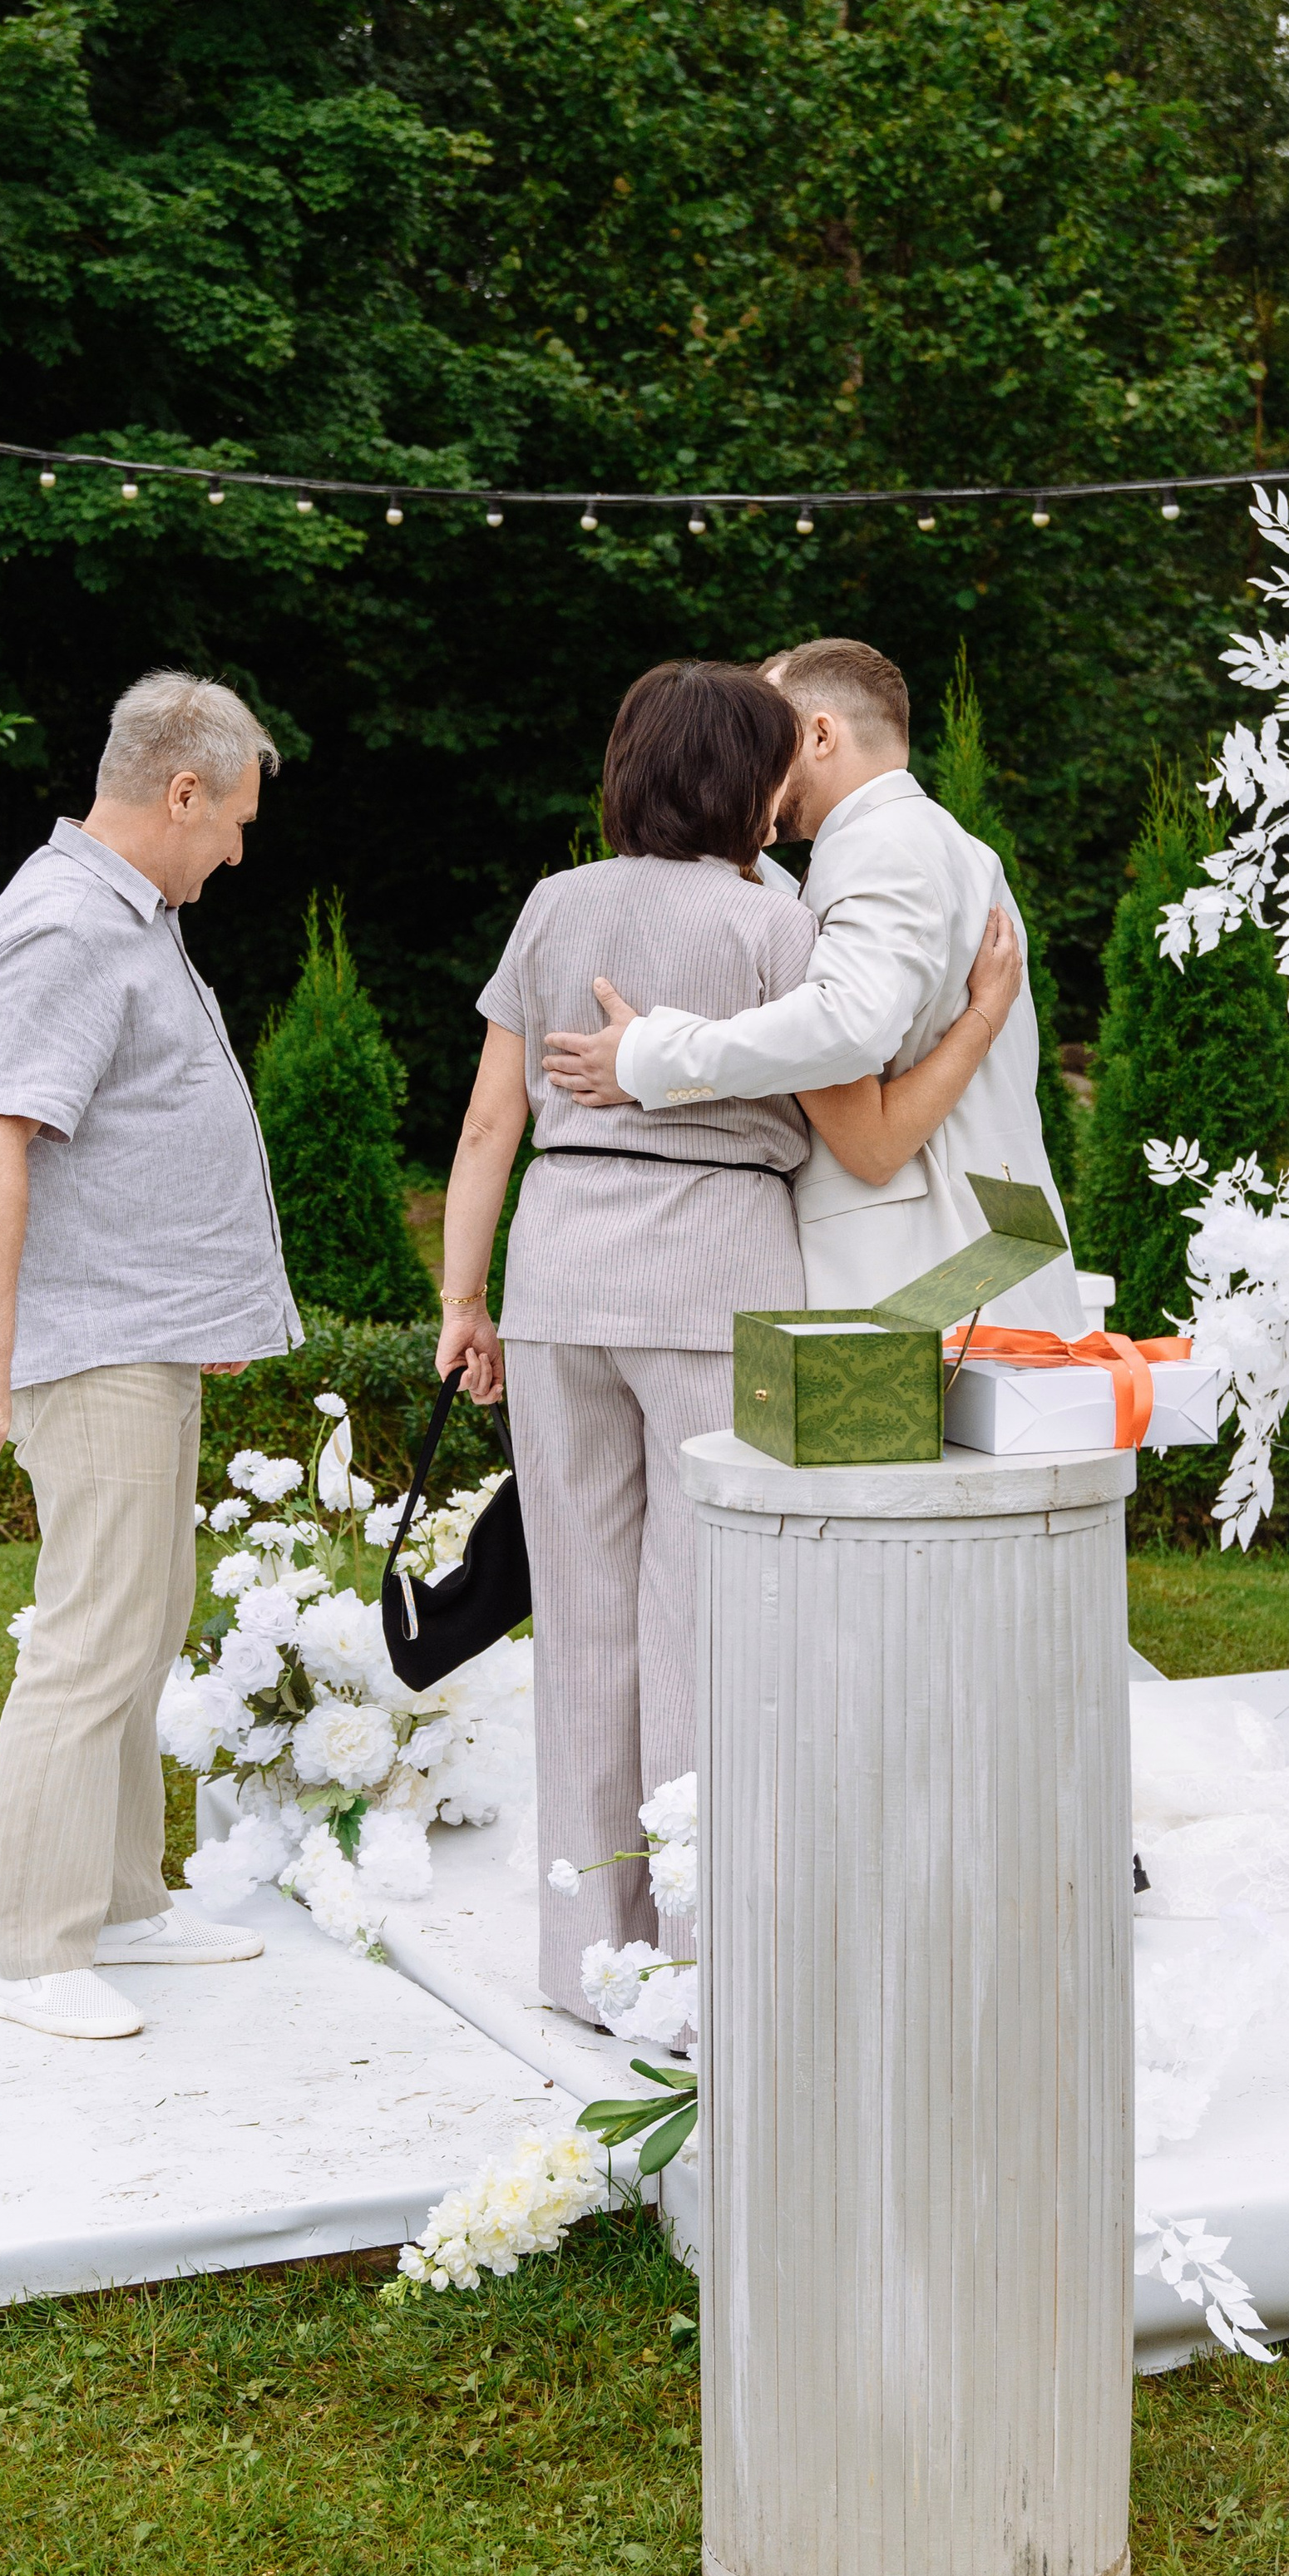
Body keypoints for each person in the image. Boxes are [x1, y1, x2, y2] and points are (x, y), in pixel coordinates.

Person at [437, 658, 1022, 2021]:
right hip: (718, 1282)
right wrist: (987, 1018)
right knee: (701, 1628)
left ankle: (589, 1959)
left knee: (580, 1618)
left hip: (561, 1274)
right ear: (758, 785)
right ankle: (704, 1963)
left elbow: (485, 1127)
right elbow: (866, 1138)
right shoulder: (780, 930)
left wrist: (466, 1306)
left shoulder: (552, 907)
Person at [0, 674, 302, 2043]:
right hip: (91, 1346)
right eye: (236, 820)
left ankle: (123, 1905)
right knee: (94, 1637)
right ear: (182, 792)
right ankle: (23, 1954)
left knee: (145, 1626)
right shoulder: (65, 929)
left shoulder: (122, 918)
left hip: (144, 1334)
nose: (239, 851)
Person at [544, 634, 1083, 1334]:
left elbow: (846, 1028)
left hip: (915, 1266)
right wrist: (982, 1017)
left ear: (822, 734)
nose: (754, 759)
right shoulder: (950, 845)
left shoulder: (880, 845)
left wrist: (647, 1057)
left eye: (770, 737)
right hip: (986, 1246)